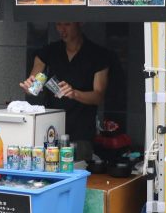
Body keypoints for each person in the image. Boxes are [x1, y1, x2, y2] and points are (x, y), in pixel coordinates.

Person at [20, 22, 110, 158]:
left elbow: (98, 96)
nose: (62, 29)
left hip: (81, 133)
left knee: (78, 167)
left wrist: (74, 93)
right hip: (50, 130)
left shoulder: (98, 54)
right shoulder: (49, 51)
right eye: (58, 24)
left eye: (67, 24)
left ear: (80, 23)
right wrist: (29, 87)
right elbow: (33, 86)